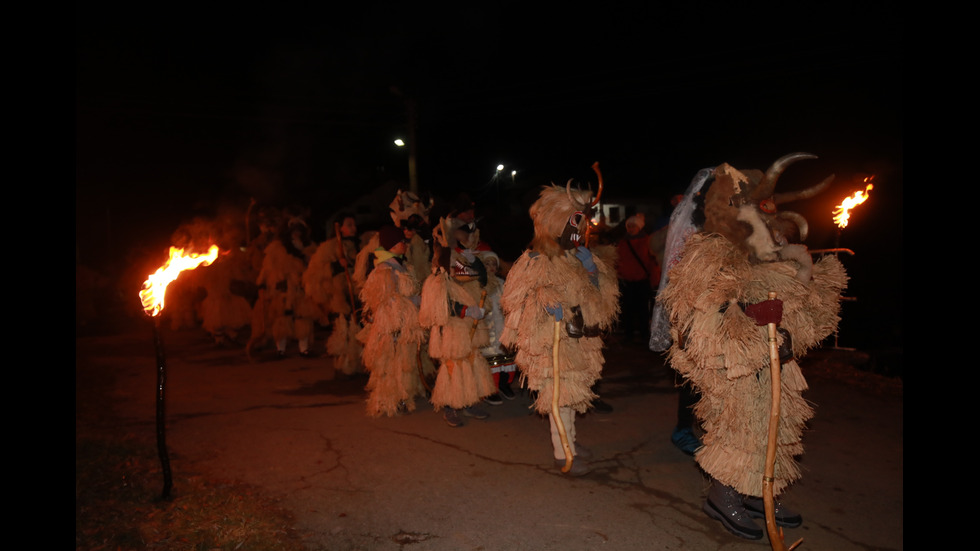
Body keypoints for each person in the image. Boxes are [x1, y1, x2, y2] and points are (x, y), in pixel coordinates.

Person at [656, 154, 847, 540]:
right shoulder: (709, 252)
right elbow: (697, 320)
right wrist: (748, 316)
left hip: (777, 363)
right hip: (734, 368)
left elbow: (810, 318)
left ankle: (764, 491)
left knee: (778, 430)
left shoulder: (771, 252)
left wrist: (809, 278)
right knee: (739, 431)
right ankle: (723, 495)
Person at [500, 182, 620, 476]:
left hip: (579, 343)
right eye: (574, 221)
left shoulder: (578, 257)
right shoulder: (534, 262)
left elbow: (603, 305)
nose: (581, 229)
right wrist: (542, 302)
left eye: (582, 221)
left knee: (569, 397)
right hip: (552, 343)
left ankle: (571, 442)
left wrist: (592, 272)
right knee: (559, 398)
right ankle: (562, 452)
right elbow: (514, 302)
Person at [420, 217, 496, 427]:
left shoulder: (465, 258)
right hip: (453, 327)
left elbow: (482, 280)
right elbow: (439, 301)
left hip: (470, 325)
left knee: (471, 363)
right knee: (453, 366)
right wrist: (465, 310)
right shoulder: (442, 262)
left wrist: (475, 261)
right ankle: (449, 406)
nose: (467, 238)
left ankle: (469, 401)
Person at [357, 225, 429, 417]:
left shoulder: (401, 266)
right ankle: (388, 400)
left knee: (403, 363)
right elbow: (385, 302)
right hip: (392, 329)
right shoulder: (384, 270)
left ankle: (403, 396)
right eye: (400, 242)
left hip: (404, 325)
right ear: (390, 245)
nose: (404, 245)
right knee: (389, 365)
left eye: (404, 241)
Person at [615, 213, 660, 344]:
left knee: (642, 310)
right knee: (627, 309)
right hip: (627, 281)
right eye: (629, 226)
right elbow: (618, 261)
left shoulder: (647, 241)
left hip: (642, 281)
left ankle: (644, 334)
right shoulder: (622, 243)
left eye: (633, 226)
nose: (631, 228)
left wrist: (654, 280)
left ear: (639, 227)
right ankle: (628, 334)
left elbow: (652, 262)